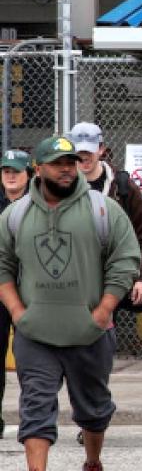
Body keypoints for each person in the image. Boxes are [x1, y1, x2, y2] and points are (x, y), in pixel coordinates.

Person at [0, 135, 141, 471]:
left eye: (70, 163)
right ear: (39, 169)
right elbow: (3, 264)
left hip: (90, 332)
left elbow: (125, 260)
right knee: (35, 409)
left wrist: (104, 310)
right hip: (35, 334)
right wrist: (18, 312)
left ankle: (92, 460)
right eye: (57, 164)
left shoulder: (102, 209)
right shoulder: (15, 215)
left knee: (93, 409)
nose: (66, 170)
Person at [69, 122, 142, 312]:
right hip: (71, 277)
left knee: (104, 332)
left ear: (101, 149)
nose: (84, 158)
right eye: (79, 153)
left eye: (89, 152)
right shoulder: (61, 186)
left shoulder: (122, 187)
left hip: (112, 278)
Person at [0, 148, 32, 437]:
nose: (10, 175)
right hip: (1, 291)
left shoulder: (38, 205)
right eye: (6, 171)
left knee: (31, 361)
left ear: (28, 174)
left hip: (30, 294)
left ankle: (32, 419)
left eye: (16, 171)